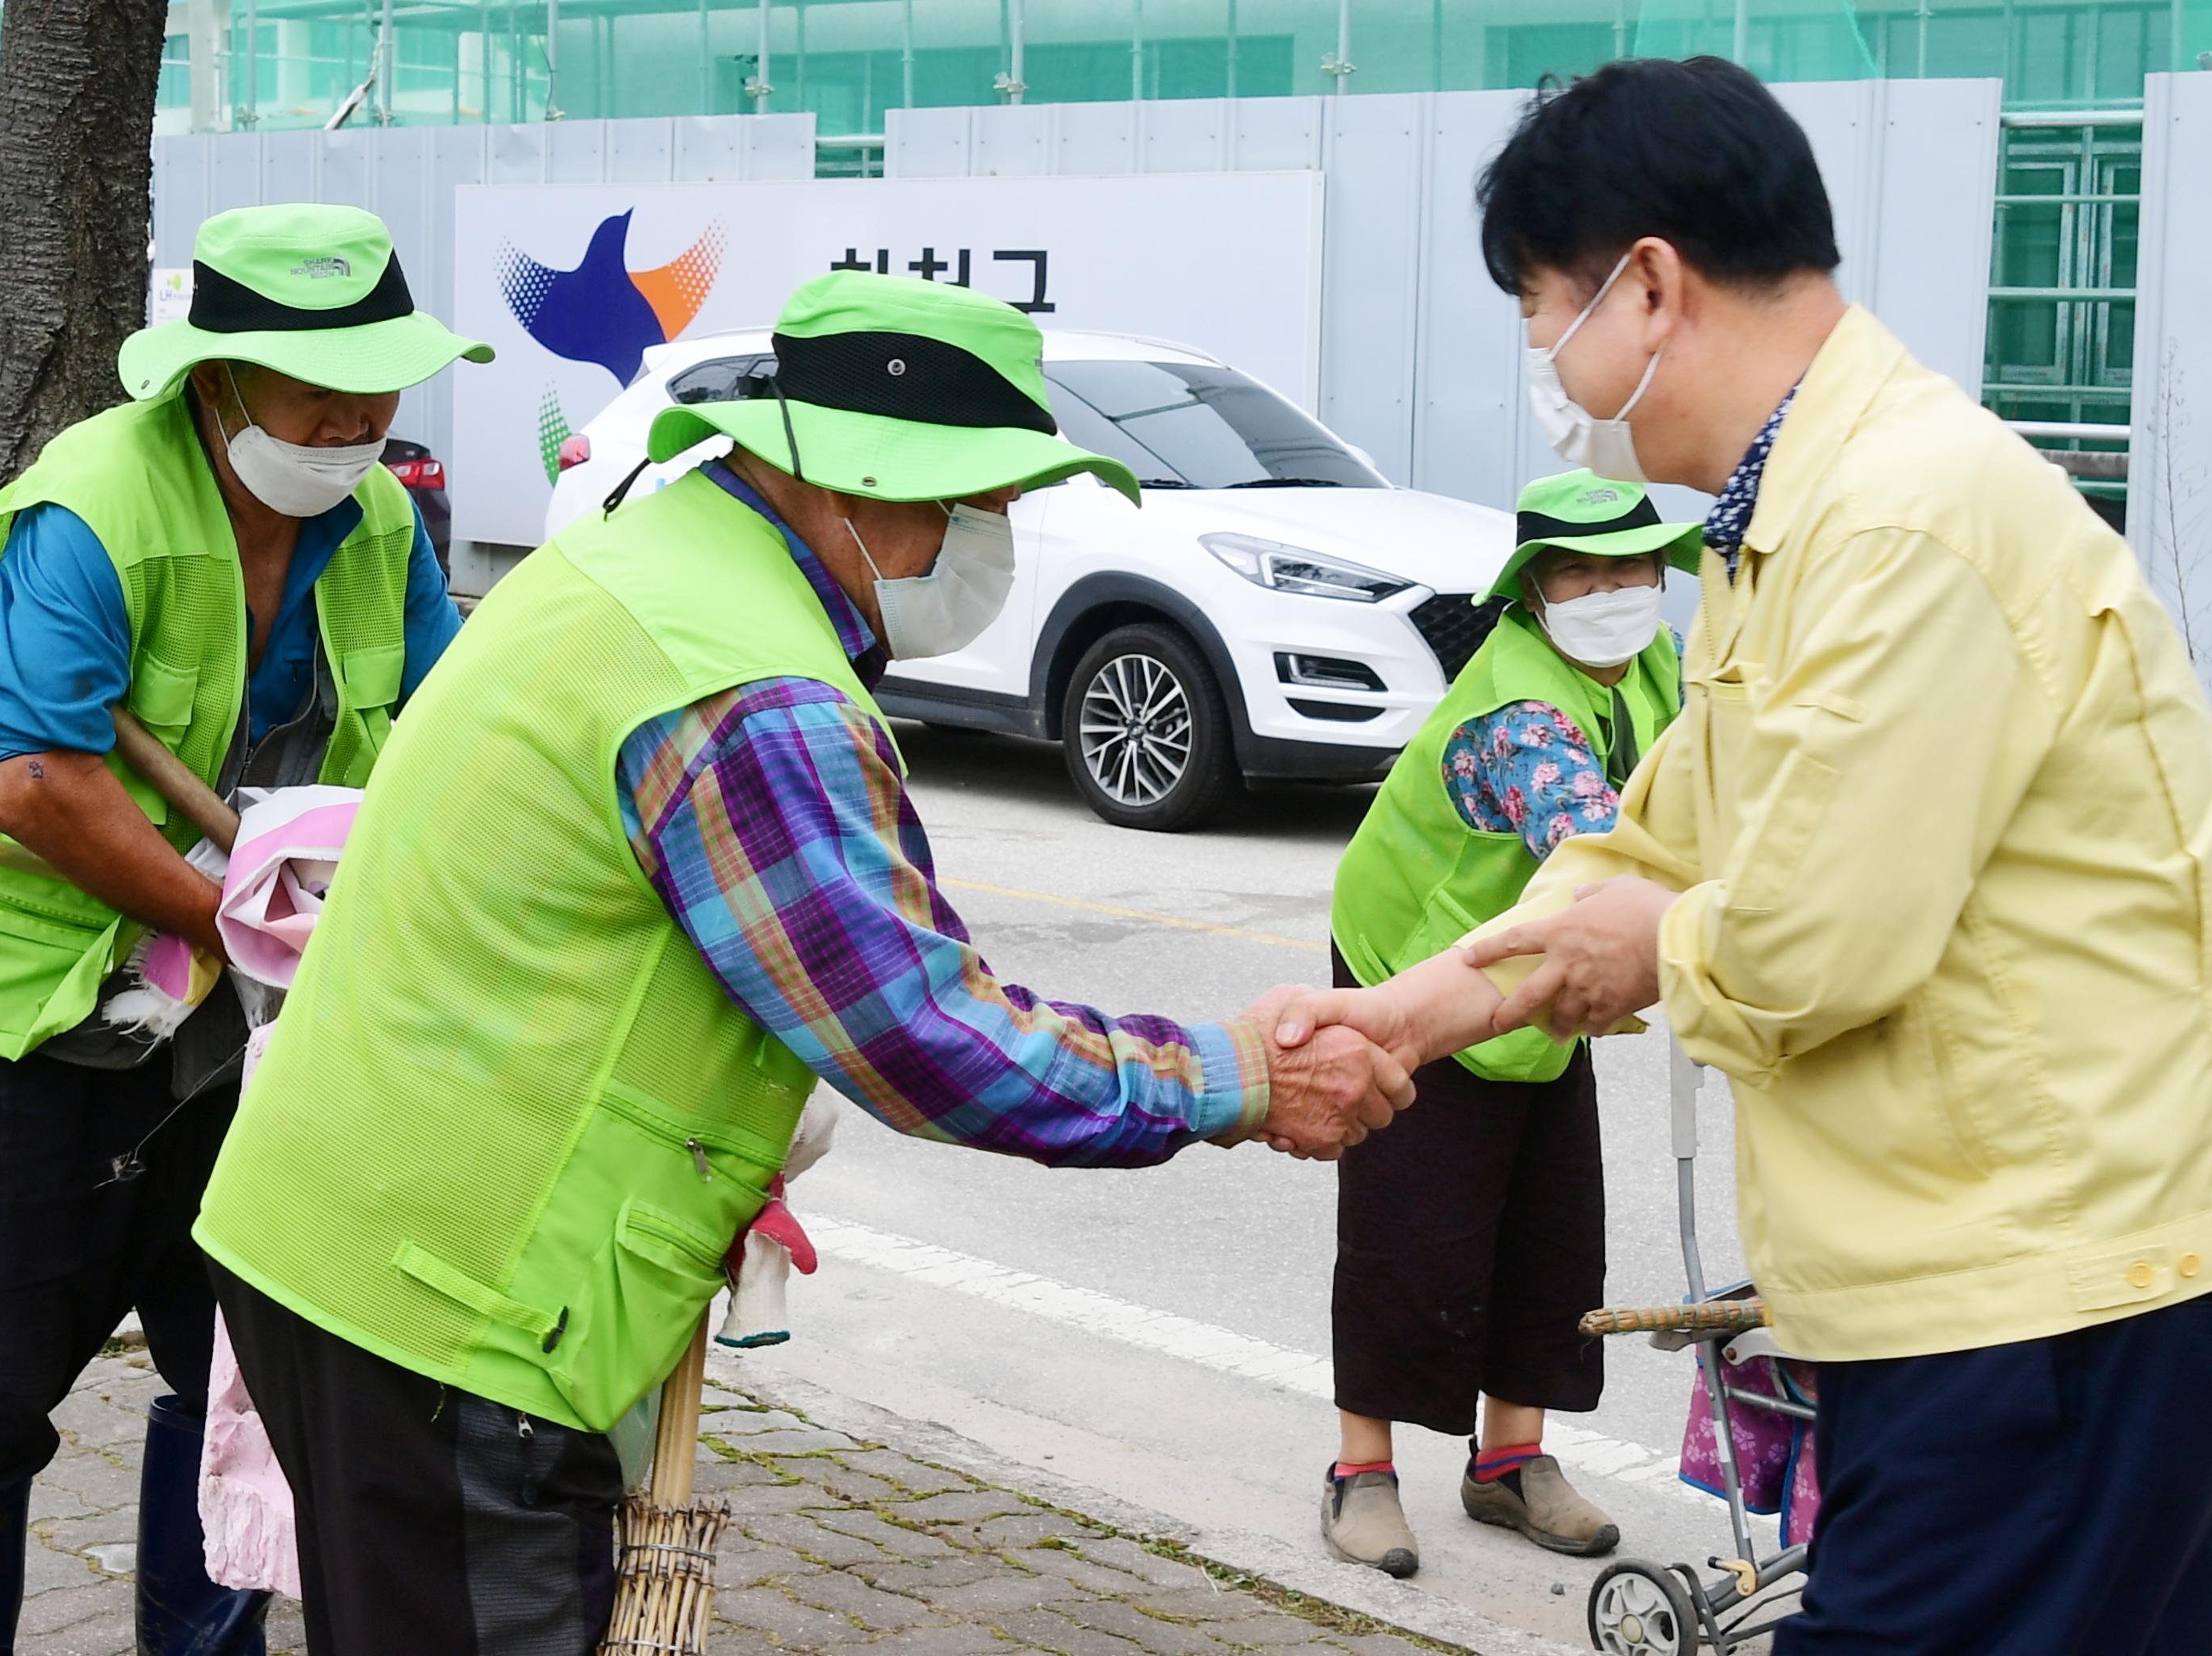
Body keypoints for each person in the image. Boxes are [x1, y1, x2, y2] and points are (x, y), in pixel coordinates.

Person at [192, 270, 1413, 1654]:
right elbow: (920, 1029)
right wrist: (1231, 1078)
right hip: (449, 1307)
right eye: (980, 504)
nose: (996, 539)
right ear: (854, 486)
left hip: (346, 1244)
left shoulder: (644, 563)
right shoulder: (747, 685)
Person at [1265, 57, 2212, 1656]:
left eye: (1551, 313)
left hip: (2061, 1290)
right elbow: (1651, 830)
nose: (1550, 361)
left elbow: (1812, 941)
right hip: (1989, 1287)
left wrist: (1645, 945)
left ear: (1653, 285)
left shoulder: (1898, 522)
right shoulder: (1791, 522)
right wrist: (1414, 1014)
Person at [0, 203, 482, 1656]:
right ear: (215, 383)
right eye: (316, 389)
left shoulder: (378, 517)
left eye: (378, 383)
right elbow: (39, 781)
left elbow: (453, 730)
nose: (354, 420)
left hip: (248, 1034)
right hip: (38, 1011)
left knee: (236, 1382)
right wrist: (233, 914)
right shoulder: (94, 508)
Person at [1318, 470, 1700, 1578]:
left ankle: (1509, 1464)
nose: (1612, 591)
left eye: (1631, 567)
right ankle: (1360, 1473)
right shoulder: (1519, 715)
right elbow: (1592, 846)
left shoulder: (1655, 662)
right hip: (1421, 965)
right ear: (1535, 593)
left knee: (1550, 1217)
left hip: (1537, 979)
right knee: (1412, 1224)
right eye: (1580, 571)